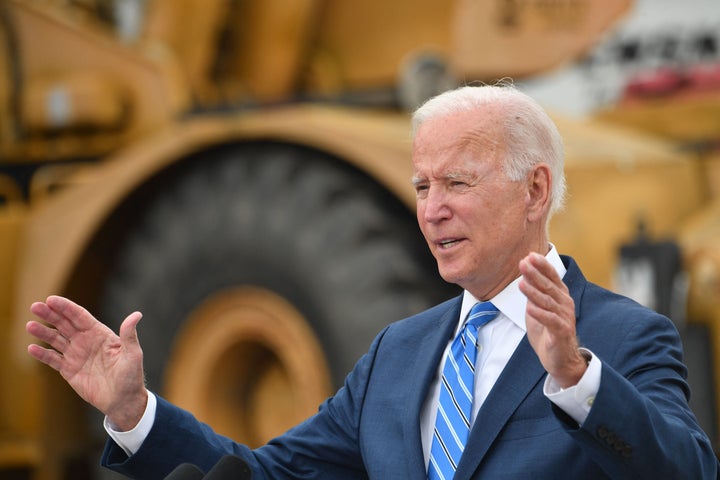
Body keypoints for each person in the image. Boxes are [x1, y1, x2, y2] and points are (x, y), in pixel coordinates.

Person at [27, 84, 718, 479]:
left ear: (535, 191)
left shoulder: (625, 340)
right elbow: (269, 477)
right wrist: (133, 414)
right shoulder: (397, 355)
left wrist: (574, 376)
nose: (432, 208)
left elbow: (686, 471)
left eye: (457, 182)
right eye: (422, 185)